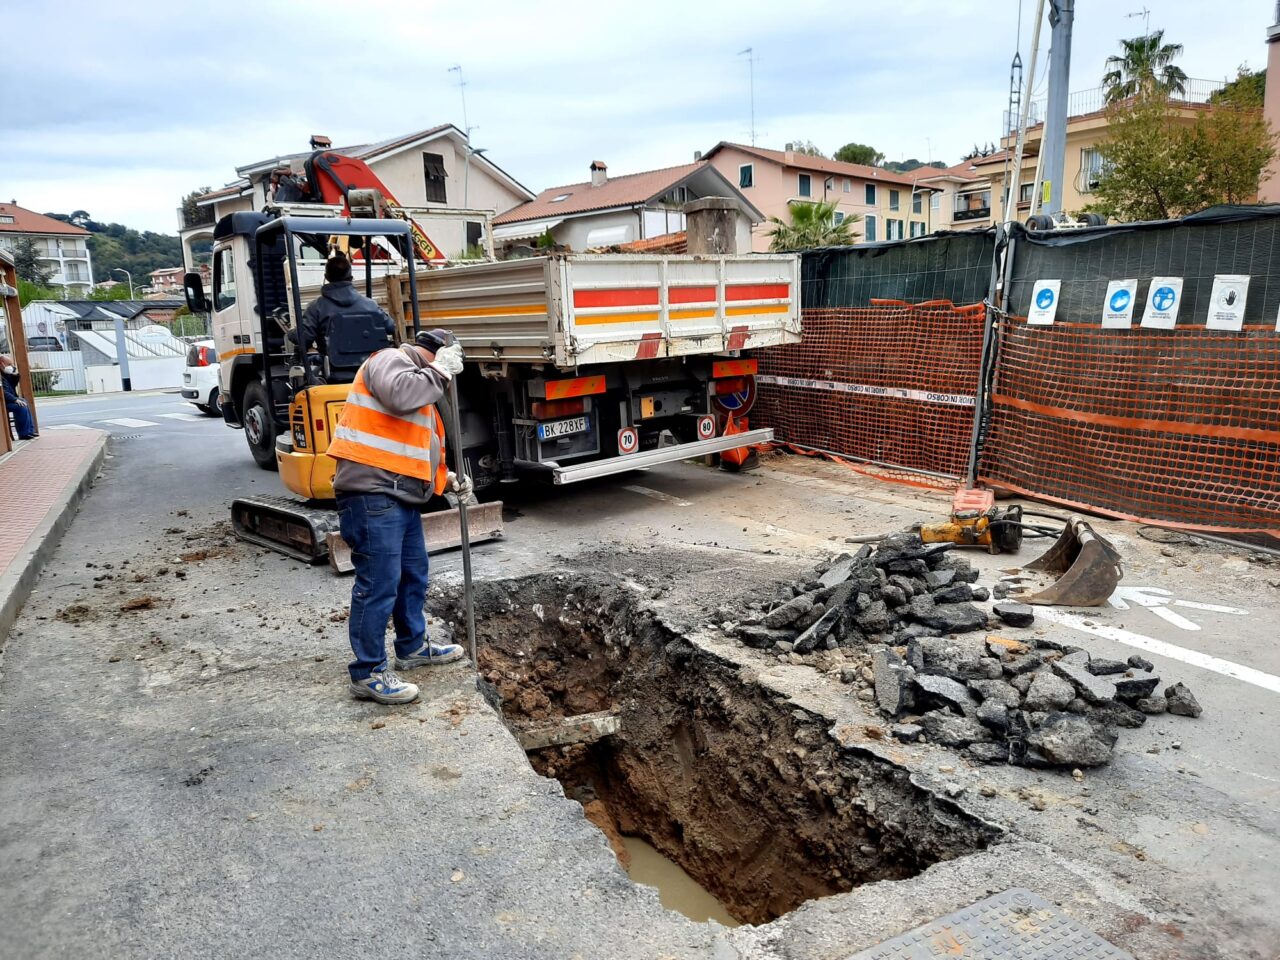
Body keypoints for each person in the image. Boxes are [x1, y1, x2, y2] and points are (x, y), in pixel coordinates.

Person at [327, 328, 470, 705]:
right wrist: (439, 371)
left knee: (412, 573)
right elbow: (399, 394)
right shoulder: (391, 360)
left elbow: (411, 452)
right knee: (379, 582)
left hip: (398, 495)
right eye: (447, 361)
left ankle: (412, 647)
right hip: (371, 494)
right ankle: (368, 672)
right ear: (433, 353)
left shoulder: (424, 389)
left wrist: (446, 480)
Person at [290, 253, 396, 373]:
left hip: (334, 371)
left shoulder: (316, 308)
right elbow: (391, 327)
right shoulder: (371, 305)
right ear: (351, 278)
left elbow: (303, 338)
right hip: (372, 371)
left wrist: (291, 333)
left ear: (326, 277)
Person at [1, 355, 35, 440]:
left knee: (24, 401)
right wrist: (14, 399)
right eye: (9, 364)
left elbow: (12, 385)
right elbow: (3, 392)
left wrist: (15, 375)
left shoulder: (4, 373)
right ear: (2, 364)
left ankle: (30, 431)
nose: (11, 366)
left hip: (8, 400)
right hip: (3, 402)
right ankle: (23, 434)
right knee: (21, 406)